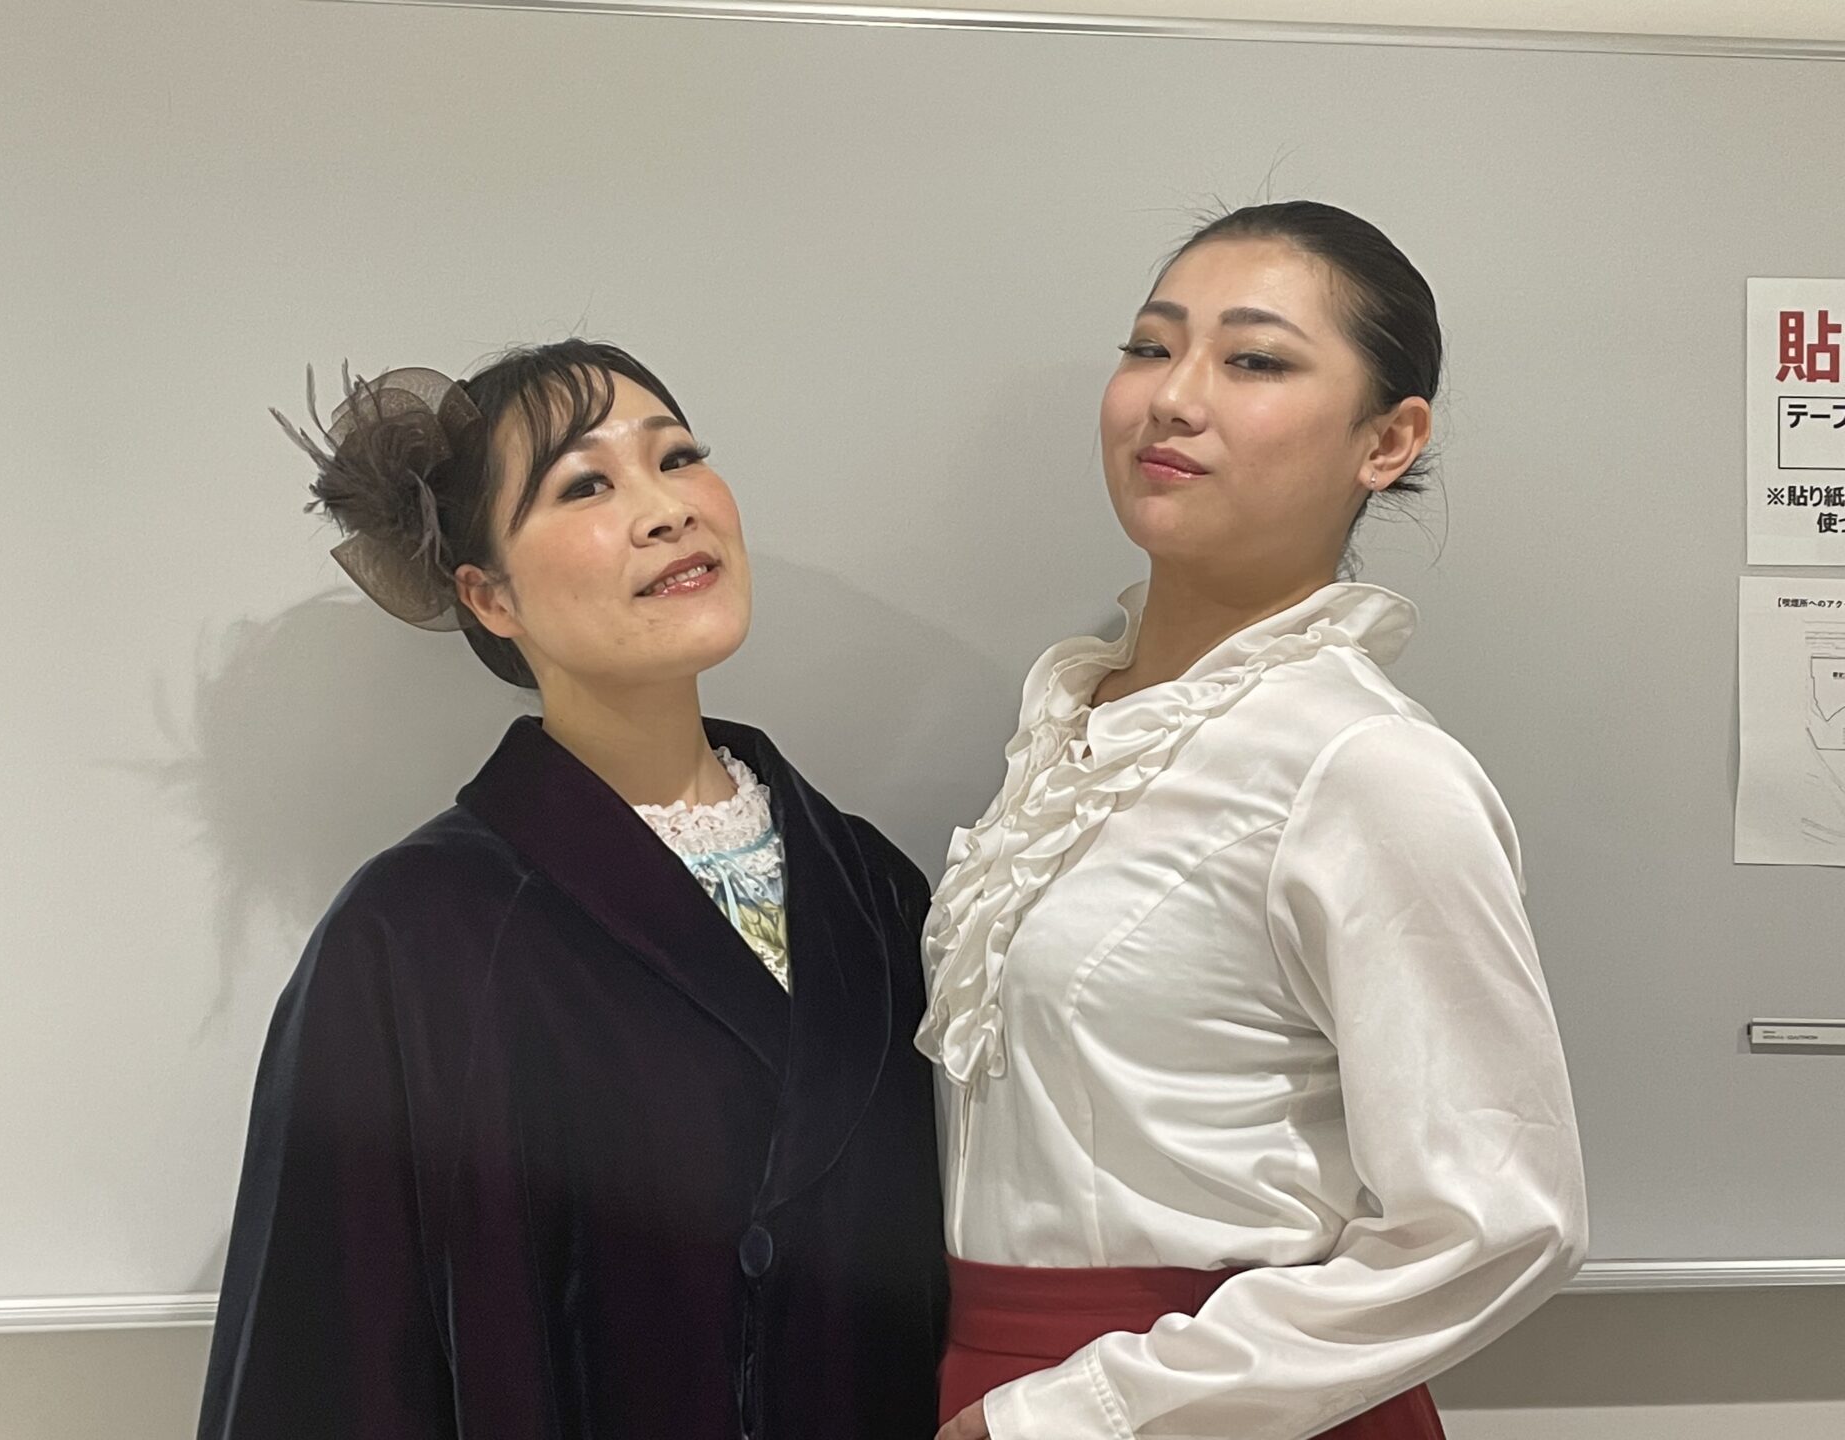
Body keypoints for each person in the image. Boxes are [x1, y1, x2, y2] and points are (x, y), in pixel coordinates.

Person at [922, 202, 1587, 1440]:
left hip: (1185, 1406)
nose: (1174, 398)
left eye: (1256, 360)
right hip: (1002, 1379)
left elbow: (1503, 1219)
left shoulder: (1365, 767)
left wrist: (1090, 1411)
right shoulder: (1074, 729)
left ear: (1387, 441)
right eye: (1150, 347)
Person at [197, 341, 946, 1439]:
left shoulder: (873, 887)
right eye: (586, 484)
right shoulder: (415, 937)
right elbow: (322, 1366)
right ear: (488, 594)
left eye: (678, 458)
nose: (666, 509)